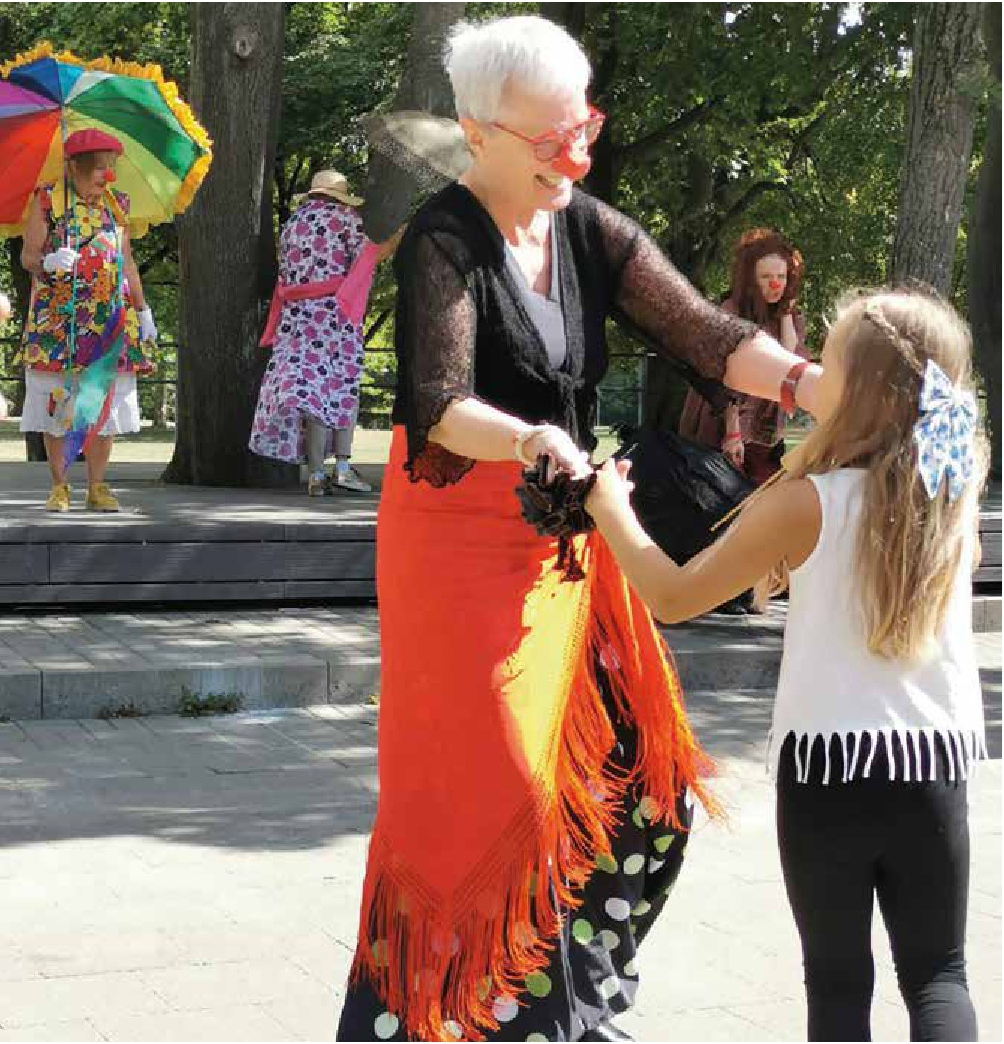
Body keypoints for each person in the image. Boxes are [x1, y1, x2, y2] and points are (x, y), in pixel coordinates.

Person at [335, 16, 823, 1042]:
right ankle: (468, 1011)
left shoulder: (588, 229)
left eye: (582, 129)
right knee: (501, 797)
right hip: (458, 541)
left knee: (645, 784)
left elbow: (698, 330)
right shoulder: (443, 237)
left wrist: (804, 379)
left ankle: (576, 998)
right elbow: (438, 401)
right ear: (480, 134)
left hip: (565, 534)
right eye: (550, 138)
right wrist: (526, 442)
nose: (574, 156)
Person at [587, 289, 986, 1042]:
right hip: (935, 763)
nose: (809, 376)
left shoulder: (805, 502)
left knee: (836, 986)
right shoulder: (952, 488)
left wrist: (612, 508)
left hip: (828, 767)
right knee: (939, 975)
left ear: (857, 390)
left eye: (825, 364)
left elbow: (673, 597)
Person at [19, 129, 156, 512]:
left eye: (111, 167)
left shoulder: (117, 204)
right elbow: (28, 257)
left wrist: (142, 309)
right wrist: (47, 261)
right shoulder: (49, 200)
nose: (106, 175)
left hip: (109, 318)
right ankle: (60, 486)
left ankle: (98, 486)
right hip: (58, 322)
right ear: (74, 167)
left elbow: (127, 262)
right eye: (98, 168)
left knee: (103, 404)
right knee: (58, 404)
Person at [250, 170, 401, 495]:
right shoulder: (344, 218)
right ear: (339, 196)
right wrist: (397, 238)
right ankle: (343, 467)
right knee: (342, 384)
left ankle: (317, 473)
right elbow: (367, 256)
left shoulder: (292, 223)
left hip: (295, 317)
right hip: (333, 316)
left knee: (311, 393)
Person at [679, 228, 809, 485]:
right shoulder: (731, 312)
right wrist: (732, 431)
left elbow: (789, 359)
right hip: (725, 417)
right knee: (719, 491)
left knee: (759, 491)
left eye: (782, 276)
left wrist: (785, 313)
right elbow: (723, 380)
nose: (776, 284)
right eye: (766, 276)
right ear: (750, 280)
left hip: (764, 425)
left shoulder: (790, 319)